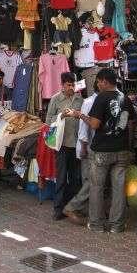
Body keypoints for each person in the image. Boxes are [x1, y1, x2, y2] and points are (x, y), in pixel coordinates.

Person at [72, 68, 134, 232]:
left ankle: (96, 224)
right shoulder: (125, 98)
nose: (98, 85)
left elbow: (94, 124)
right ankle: (116, 225)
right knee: (119, 189)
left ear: (104, 81)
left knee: (97, 188)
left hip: (102, 150)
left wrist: (80, 115)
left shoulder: (102, 97)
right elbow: (129, 124)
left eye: (98, 82)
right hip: (122, 150)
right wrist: (129, 147)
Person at [46, 72, 83, 221]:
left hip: (76, 144)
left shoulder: (80, 99)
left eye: (73, 85)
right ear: (62, 85)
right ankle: (58, 209)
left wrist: (78, 114)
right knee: (61, 178)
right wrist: (61, 115)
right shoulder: (55, 99)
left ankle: (71, 208)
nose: (71, 88)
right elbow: (48, 121)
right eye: (68, 85)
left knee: (75, 178)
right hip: (61, 144)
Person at [62, 81, 98, 224]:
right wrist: (83, 146)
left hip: (93, 146)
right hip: (87, 146)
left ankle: (87, 210)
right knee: (89, 179)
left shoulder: (91, 101)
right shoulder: (89, 102)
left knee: (90, 180)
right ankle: (74, 207)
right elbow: (83, 126)